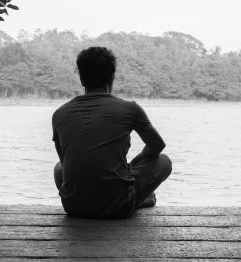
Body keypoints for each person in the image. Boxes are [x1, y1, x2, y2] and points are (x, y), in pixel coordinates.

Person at [52, 46, 172, 219]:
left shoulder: (59, 113)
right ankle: (138, 200)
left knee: (58, 168)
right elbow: (157, 146)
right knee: (164, 161)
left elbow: (64, 162)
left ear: (81, 78)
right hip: (118, 207)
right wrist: (134, 164)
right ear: (112, 77)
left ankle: (127, 198)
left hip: (73, 207)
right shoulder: (130, 109)